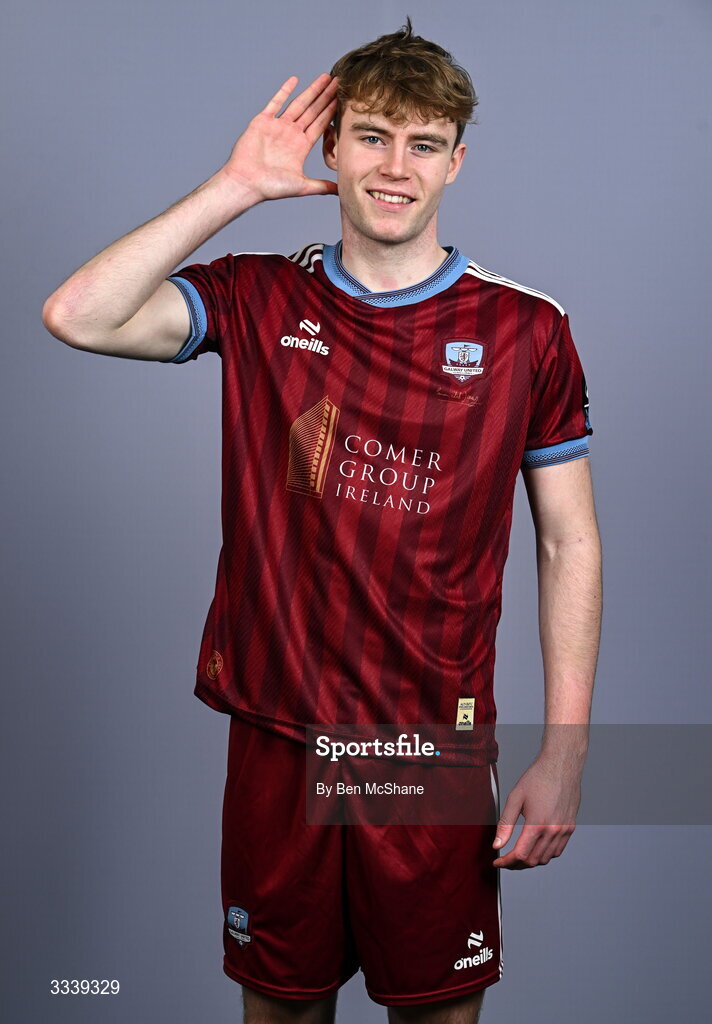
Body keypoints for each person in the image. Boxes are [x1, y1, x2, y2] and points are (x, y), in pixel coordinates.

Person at [42, 17, 602, 1024]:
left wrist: (563, 754)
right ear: (331, 148)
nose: (395, 166)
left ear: (455, 163)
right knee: (282, 1009)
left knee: (434, 1010)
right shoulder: (260, 297)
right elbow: (77, 315)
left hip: (427, 742)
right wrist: (233, 189)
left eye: (422, 143)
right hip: (279, 731)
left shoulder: (525, 329)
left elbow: (570, 543)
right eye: (373, 136)